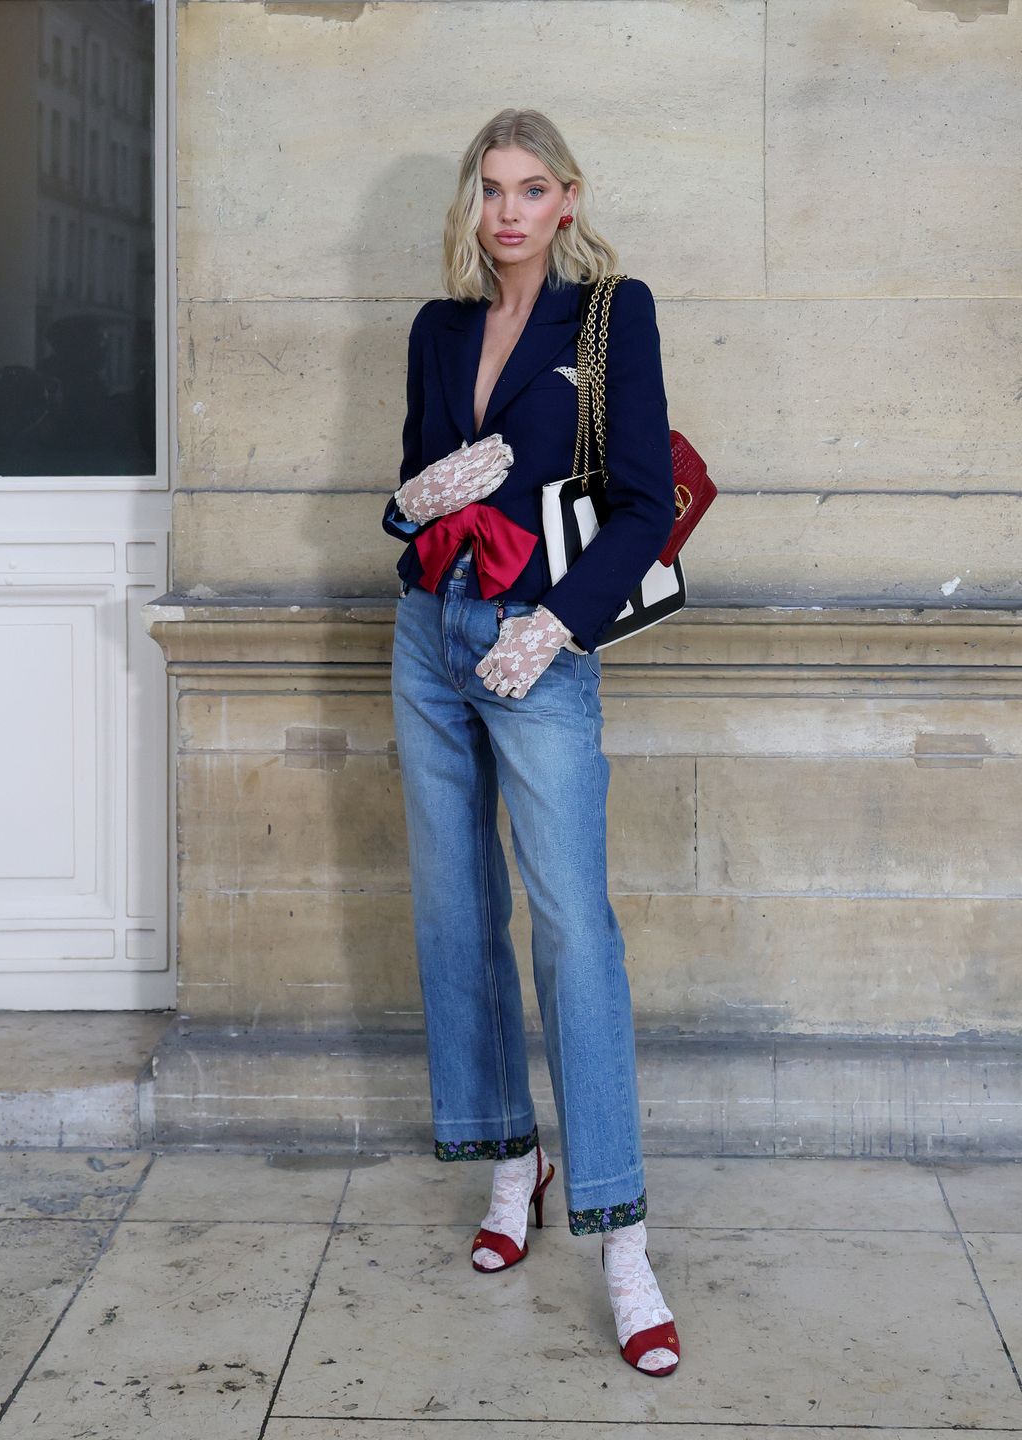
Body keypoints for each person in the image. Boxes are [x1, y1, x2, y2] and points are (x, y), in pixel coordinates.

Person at [383, 108, 680, 1377]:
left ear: (567, 199)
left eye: (532, 188)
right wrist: (419, 496)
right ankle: (516, 1163)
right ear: (473, 204)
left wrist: (555, 625)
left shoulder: (611, 315)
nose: (508, 210)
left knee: (571, 928)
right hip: (430, 642)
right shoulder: (438, 330)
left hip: (536, 646)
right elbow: (406, 498)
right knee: (456, 913)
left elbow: (644, 505)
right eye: (490, 190)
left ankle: (622, 1241)